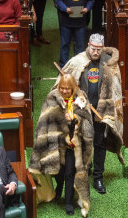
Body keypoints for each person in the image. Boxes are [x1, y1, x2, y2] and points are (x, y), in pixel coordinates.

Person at [58, 34, 125, 195]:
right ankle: (84, 172)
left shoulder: (109, 62)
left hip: (103, 111)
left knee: (100, 143)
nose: (95, 52)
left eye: (99, 49)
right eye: (93, 48)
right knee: (82, 142)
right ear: (88, 45)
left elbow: (116, 88)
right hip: (82, 112)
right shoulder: (78, 61)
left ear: (102, 48)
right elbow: (64, 84)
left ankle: (98, 177)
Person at [29, 74, 94, 217]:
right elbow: (43, 121)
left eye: (67, 89)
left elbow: (88, 122)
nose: (64, 91)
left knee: (70, 173)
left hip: (73, 145)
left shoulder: (81, 99)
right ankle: (59, 187)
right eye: (62, 88)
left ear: (73, 88)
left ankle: (68, 201)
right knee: (58, 172)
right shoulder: (52, 98)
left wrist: (74, 120)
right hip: (56, 143)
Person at [55, 0, 94, 67]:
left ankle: (80, 66)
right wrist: (65, 8)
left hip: (80, 23)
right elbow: (58, 0)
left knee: (80, 47)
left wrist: (87, 8)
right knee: (65, 45)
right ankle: (64, 67)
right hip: (66, 22)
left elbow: (91, 0)